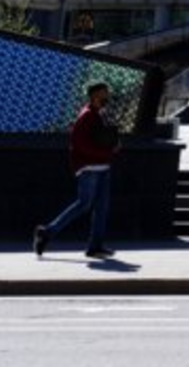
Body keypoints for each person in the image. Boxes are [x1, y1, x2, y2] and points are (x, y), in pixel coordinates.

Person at [34, 82, 121, 259]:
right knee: (84, 204)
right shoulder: (86, 116)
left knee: (101, 209)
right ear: (95, 95)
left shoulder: (100, 114)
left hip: (103, 167)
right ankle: (46, 232)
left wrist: (113, 143)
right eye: (104, 93)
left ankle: (95, 247)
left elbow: (102, 137)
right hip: (89, 168)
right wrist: (107, 152)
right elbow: (79, 144)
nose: (107, 96)